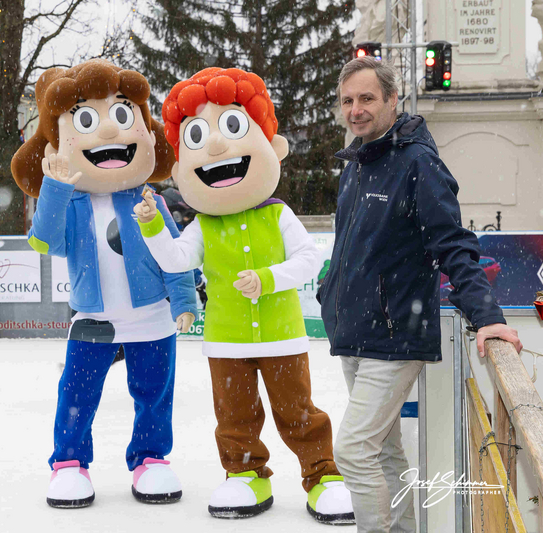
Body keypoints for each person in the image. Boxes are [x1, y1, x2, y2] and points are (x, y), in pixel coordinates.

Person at [134, 67, 355, 524]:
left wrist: (269, 278)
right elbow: (175, 260)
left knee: (298, 411)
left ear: (271, 147)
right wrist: (153, 225)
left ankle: (322, 475)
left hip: (281, 335)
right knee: (234, 415)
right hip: (226, 339)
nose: (216, 147)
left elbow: (309, 259)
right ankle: (245, 473)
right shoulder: (204, 225)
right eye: (198, 137)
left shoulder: (277, 214)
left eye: (232, 128)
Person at [319, 57, 523, 533]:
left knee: (353, 450)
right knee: (382, 450)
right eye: (347, 100)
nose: (355, 110)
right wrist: (332, 295)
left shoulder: (417, 163)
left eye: (367, 98)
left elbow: (453, 244)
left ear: (393, 99)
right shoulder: (356, 165)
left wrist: (487, 316)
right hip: (356, 333)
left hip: (395, 335)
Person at [11, 59, 198, 508]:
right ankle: (69, 462)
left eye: (121, 115)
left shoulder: (150, 201)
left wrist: (183, 300)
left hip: (151, 315)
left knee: (154, 392)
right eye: (86, 120)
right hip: (93, 318)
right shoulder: (72, 205)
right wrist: (55, 187)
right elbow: (44, 241)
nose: (110, 132)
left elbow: (174, 257)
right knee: (77, 392)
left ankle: (150, 457)